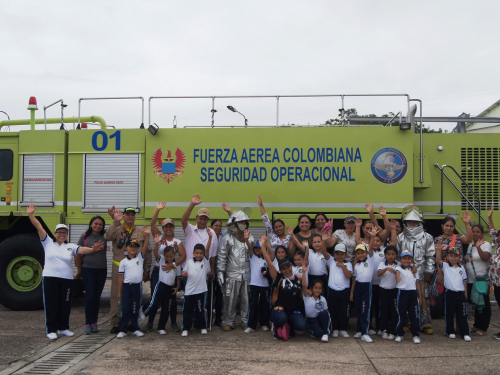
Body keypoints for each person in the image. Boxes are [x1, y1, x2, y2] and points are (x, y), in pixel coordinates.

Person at [27, 204, 104, 340]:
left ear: (67, 234)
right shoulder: (48, 243)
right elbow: (39, 227)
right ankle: (51, 330)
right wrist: (31, 215)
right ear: (55, 234)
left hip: (67, 279)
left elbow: (81, 250)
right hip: (50, 278)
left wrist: (93, 249)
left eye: (64, 233)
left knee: (65, 304)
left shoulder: (70, 246)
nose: (62, 235)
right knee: (52, 304)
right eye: (59, 232)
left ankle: (63, 328)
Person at [105, 206, 151, 334]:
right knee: (116, 296)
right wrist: (115, 221)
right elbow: (108, 237)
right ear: (123, 216)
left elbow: (147, 251)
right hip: (118, 267)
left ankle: (132, 323)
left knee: (134, 298)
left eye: (133, 214)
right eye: (128, 214)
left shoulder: (141, 232)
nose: (130, 216)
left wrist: (147, 269)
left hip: (135, 269)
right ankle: (116, 323)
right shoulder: (117, 228)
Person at [396, 205, 435, 335]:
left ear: (420, 222)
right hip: (406, 274)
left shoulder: (427, 237)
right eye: (410, 221)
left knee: (423, 298)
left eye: (415, 222)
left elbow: (430, 255)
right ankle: (407, 322)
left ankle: (425, 322)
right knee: (406, 299)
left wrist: (429, 271)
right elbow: (396, 256)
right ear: (406, 222)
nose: (412, 224)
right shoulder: (401, 237)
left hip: (422, 273)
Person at [149, 201, 186, 332]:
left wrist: (173, 265)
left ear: (173, 228)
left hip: (170, 273)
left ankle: (173, 322)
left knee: (171, 299)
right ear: (163, 228)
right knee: (155, 298)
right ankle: (150, 322)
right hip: (157, 272)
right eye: (166, 227)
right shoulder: (159, 238)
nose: (168, 229)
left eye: (170, 226)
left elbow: (183, 256)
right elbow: (153, 224)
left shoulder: (177, 242)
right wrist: (157, 210)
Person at [260, 240, 307, 341]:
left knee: (302, 326)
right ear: (281, 270)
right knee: (281, 318)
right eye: (284, 268)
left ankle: (288, 325)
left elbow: (303, 294)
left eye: (288, 267)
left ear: (291, 266)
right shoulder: (279, 278)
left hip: (294, 310)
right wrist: (263, 247)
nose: (287, 270)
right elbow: (269, 262)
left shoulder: (298, 279)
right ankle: (276, 326)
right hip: (280, 309)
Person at [217, 209, 254, 331]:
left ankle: (246, 321)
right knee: (230, 300)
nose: (243, 224)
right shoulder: (227, 238)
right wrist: (220, 273)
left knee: (246, 301)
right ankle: (228, 321)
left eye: (245, 222)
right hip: (231, 275)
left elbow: (254, 255)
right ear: (235, 224)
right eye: (241, 222)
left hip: (246, 275)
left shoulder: (250, 238)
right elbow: (222, 257)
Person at [75, 215, 107, 335]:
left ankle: (94, 322)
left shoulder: (105, 237)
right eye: (96, 224)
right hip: (88, 270)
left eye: (100, 224)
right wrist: (79, 271)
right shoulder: (84, 237)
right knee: (90, 297)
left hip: (102, 270)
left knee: (97, 297)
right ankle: (88, 323)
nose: (98, 226)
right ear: (91, 224)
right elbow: (78, 254)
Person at [143, 235, 182, 335]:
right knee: (154, 303)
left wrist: (177, 286)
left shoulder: (176, 265)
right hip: (160, 285)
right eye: (167, 256)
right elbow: (156, 253)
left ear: (174, 255)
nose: (169, 258)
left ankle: (161, 327)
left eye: (171, 256)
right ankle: (142, 312)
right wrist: (156, 243)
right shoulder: (161, 260)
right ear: (164, 255)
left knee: (166, 308)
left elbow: (178, 277)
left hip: (170, 288)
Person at [435, 241, 471, 341]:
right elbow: (438, 260)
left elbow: (464, 281)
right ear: (448, 257)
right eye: (451, 256)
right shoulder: (446, 266)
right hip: (450, 293)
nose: (453, 258)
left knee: (462, 314)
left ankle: (465, 332)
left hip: (460, 294)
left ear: (459, 257)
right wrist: (438, 250)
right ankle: (450, 331)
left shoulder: (462, 268)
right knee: (449, 313)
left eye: (455, 256)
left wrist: (465, 293)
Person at [116, 239, 149, 338]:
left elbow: (145, 247)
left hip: (136, 286)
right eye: (130, 246)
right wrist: (119, 292)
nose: (133, 249)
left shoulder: (140, 258)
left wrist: (147, 235)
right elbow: (121, 278)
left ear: (138, 249)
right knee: (125, 308)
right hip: (127, 287)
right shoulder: (123, 262)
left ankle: (135, 327)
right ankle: (123, 329)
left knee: (135, 307)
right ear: (126, 248)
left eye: (135, 247)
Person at [321, 238, 352, 339]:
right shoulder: (331, 261)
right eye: (337, 254)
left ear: (346, 255)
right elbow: (324, 251)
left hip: (344, 291)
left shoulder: (348, 264)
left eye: (342, 254)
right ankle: (335, 329)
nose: (339, 256)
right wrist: (324, 241)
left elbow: (349, 276)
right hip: (333, 290)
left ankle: (343, 329)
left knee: (343, 310)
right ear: (334, 254)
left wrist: (343, 267)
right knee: (333, 310)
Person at [464, 224, 492, 336]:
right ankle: (477, 325)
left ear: (482, 233)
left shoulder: (486, 245)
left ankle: (483, 327)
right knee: (476, 303)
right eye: (473, 231)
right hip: (471, 280)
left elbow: (485, 258)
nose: (475, 233)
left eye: (478, 231)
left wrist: (479, 247)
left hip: (481, 279)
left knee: (484, 304)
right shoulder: (471, 246)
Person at [181, 194, 219, 276]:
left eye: (205, 219)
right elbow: (183, 220)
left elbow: (213, 255)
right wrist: (192, 205)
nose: (202, 221)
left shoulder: (212, 233)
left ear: (208, 220)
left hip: (205, 272)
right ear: (196, 218)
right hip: (189, 272)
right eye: (200, 218)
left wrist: (212, 270)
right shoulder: (190, 229)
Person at [181, 239, 212, 337]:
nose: (199, 255)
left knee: (200, 309)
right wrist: (184, 274)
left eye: (201, 253)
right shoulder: (189, 262)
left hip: (200, 291)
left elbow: (207, 250)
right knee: (187, 310)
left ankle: (203, 327)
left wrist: (210, 238)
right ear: (193, 253)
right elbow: (184, 272)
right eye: (197, 253)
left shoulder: (205, 261)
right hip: (189, 291)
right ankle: (186, 328)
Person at [244, 234, 273, 333]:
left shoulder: (266, 258)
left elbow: (272, 255)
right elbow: (249, 248)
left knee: (265, 305)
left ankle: (264, 324)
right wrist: (246, 240)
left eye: (259, 248)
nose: (257, 250)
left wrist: (266, 243)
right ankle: (251, 325)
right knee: (254, 305)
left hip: (265, 285)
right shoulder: (252, 257)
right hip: (254, 285)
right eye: (256, 248)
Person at [395, 250, 423, 344]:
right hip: (402, 293)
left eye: (408, 258)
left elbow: (417, 283)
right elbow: (397, 273)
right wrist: (398, 278)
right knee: (401, 314)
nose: (406, 260)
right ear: (400, 259)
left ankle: (415, 334)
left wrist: (420, 297)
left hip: (413, 293)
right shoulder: (398, 268)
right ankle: (399, 334)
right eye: (404, 258)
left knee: (414, 315)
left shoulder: (414, 270)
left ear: (411, 260)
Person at [350, 242, 375, 343]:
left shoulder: (370, 260)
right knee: (359, 309)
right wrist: (352, 292)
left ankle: (365, 332)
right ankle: (360, 330)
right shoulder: (357, 265)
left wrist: (372, 237)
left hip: (366, 286)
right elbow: (354, 279)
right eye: (358, 253)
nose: (361, 255)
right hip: (358, 287)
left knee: (365, 309)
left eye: (363, 252)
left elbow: (371, 248)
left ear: (366, 252)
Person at [301, 262, 330, 342]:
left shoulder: (322, 299)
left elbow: (326, 312)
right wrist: (304, 272)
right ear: (311, 288)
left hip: (319, 318)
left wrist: (329, 323)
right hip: (311, 319)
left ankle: (326, 333)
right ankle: (313, 331)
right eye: (316, 288)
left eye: (320, 288)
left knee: (324, 313)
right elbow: (303, 285)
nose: (318, 290)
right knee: (318, 333)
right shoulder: (307, 296)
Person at [377, 245, 400, 340]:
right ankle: (384, 329)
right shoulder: (382, 264)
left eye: (393, 254)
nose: (391, 256)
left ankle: (393, 331)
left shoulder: (398, 264)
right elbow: (378, 274)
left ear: (396, 255)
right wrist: (386, 269)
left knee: (394, 311)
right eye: (388, 254)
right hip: (383, 290)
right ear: (385, 255)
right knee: (384, 311)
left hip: (394, 290)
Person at [210, 219, 224, 327]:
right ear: (211, 226)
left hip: (221, 271)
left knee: (220, 296)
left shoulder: (223, 238)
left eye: (220, 226)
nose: (218, 228)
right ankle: (208, 317)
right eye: (216, 225)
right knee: (210, 295)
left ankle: (218, 318)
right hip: (211, 270)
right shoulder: (208, 237)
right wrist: (212, 271)